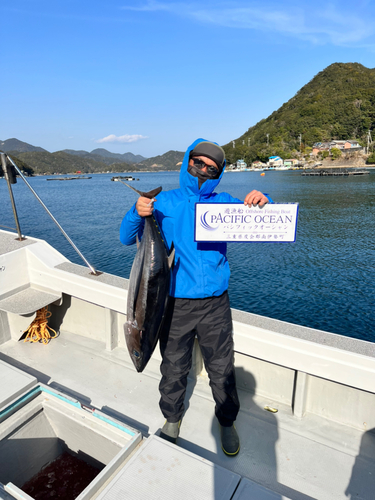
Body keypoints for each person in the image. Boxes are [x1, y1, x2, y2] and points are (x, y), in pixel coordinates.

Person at [120, 139, 271, 456]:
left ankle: (226, 422)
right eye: (198, 162)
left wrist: (262, 201)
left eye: (211, 167)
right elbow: (125, 238)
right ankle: (172, 419)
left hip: (216, 303)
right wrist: (138, 211)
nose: (203, 170)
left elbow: (260, 220)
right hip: (173, 304)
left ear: (219, 173)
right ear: (187, 162)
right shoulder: (163, 202)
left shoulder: (225, 202)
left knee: (222, 368)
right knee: (173, 367)